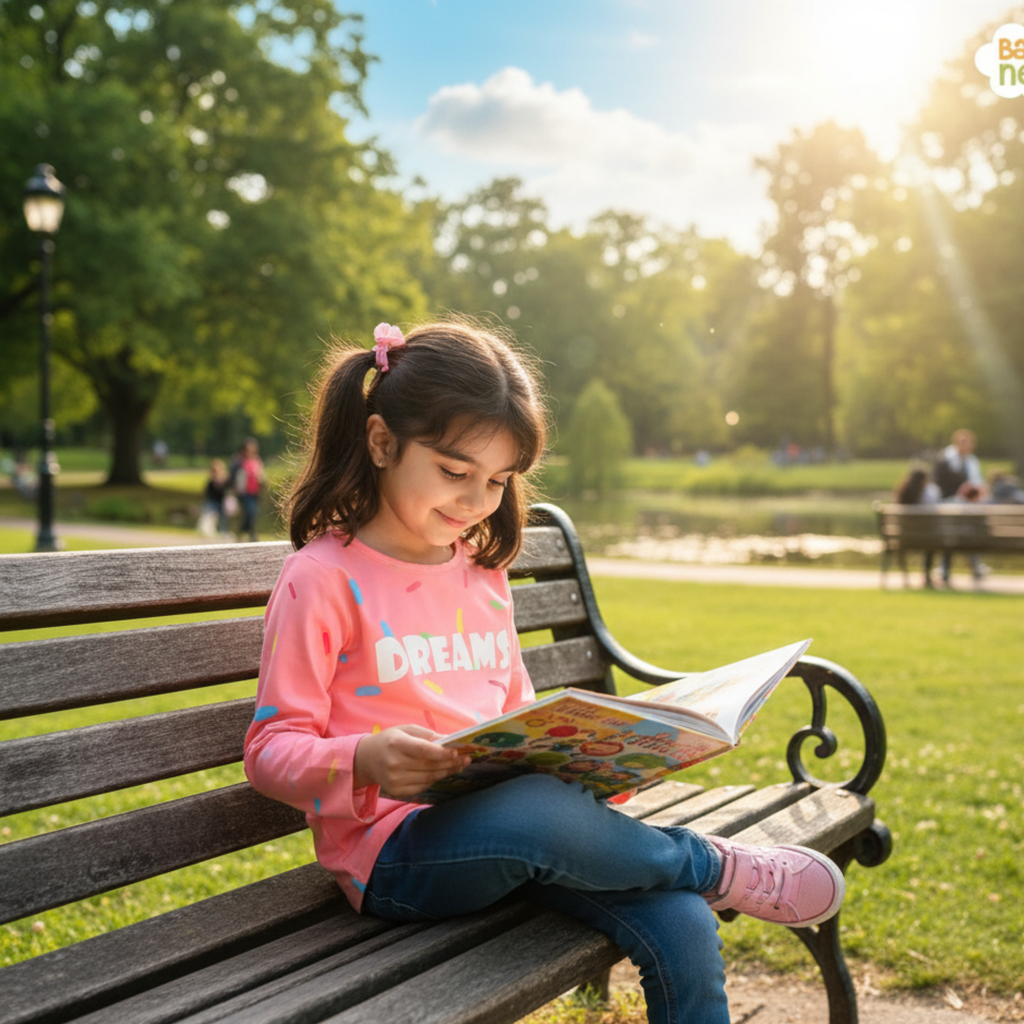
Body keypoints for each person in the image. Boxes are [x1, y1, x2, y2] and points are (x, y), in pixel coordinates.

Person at [243, 320, 845, 1024]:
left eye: (497, 481)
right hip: (397, 857)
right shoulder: (321, 579)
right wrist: (365, 758)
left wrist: (590, 764)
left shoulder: (482, 574)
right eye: (454, 472)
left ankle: (689, 881)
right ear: (381, 442)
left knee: (679, 920)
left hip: (520, 839)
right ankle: (713, 865)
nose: (475, 501)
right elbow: (269, 749)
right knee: (540, 815)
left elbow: (517, 712)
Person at [932, 429, 988, 586]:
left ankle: (969, 567)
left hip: (967, 508)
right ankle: (948, 568)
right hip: (950, 508)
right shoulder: (945, 460)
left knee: (966, 535)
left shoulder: (971, 461)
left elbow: (978, 483)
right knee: (953, 536)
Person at [893, 464, 940, 588]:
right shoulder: (928, 494)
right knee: (933, 540)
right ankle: (927, 575)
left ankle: (906, 577)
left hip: (904, 539)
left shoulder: (902, 494)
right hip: (925, 539)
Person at [232, 438, 265, 542]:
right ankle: (252, 535)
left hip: (255, 492)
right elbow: (233, 476)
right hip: (244, 492)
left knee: (251, 513)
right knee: (250, 512)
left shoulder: (257, 460)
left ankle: (241, 533)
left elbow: (260, 474)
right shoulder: (239, 461)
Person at [198, 458, 231, 539]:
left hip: (223, 503)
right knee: (208, 516)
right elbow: (208, 493)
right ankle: (209, 531)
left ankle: (225, 532)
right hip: (213, 502)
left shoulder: (226, 480)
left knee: (223, 519)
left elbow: (229, 491)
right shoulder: (211, 482)